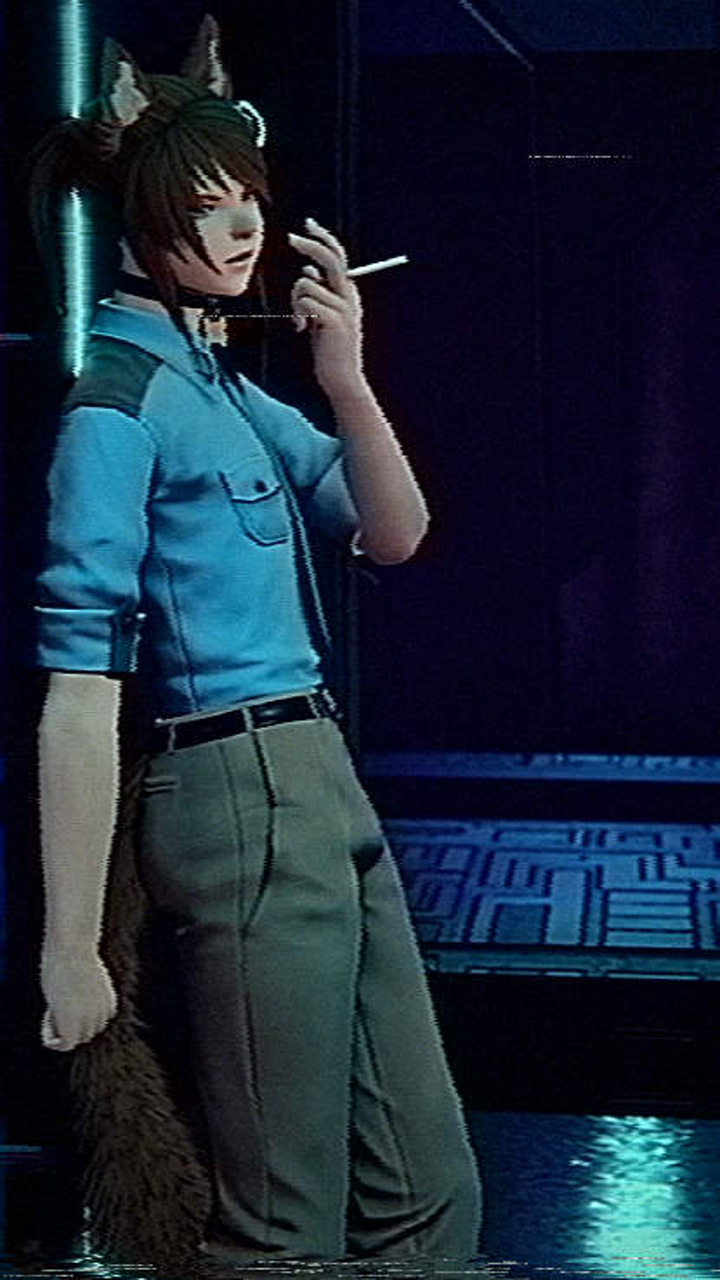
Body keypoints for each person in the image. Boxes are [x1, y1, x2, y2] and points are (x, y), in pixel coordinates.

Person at [28, 13, 482, 1265]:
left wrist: (347, 373)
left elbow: (393, 532)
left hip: (318, 776)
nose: (242, 228)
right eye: (204, 205)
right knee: (284, 1213)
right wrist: (69, 943)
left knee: (429, 1192)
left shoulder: (225, 388)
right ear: (139, 218)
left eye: (248, 199)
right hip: (233, 791)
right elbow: (78, 691)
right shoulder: (117, 407)